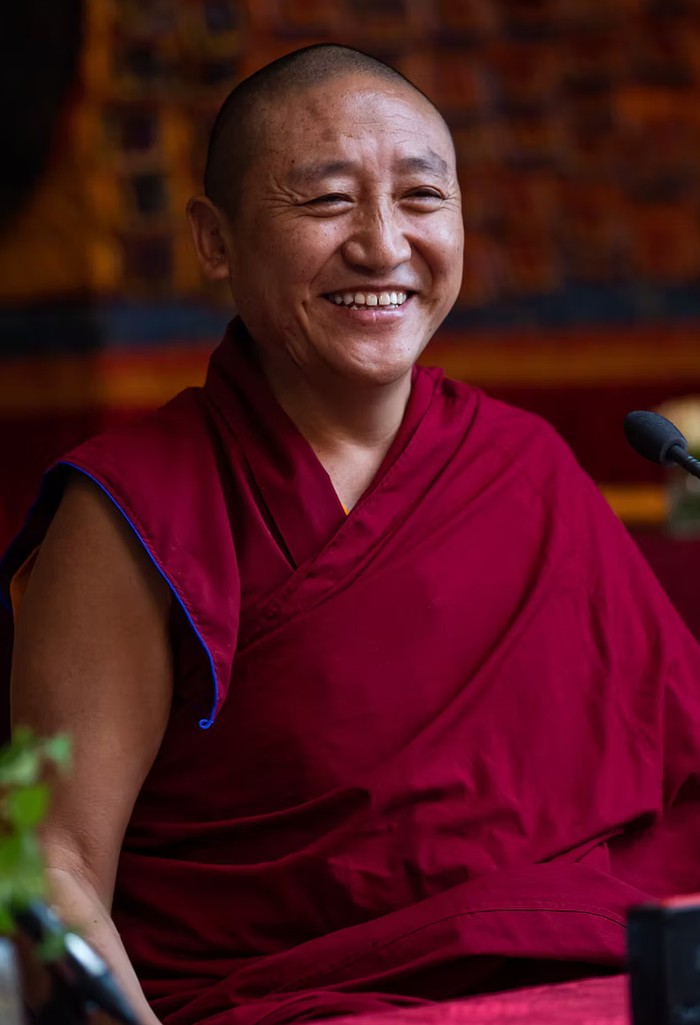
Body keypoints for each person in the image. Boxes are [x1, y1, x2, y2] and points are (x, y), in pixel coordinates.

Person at [3, 42, 700, 1025]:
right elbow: (54, 864)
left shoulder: (525, 466)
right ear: (214, 239)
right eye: (327, 200)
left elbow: (676, 778)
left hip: (603, 984)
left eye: (421, 198)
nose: (382, 245)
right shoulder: (134, 511)